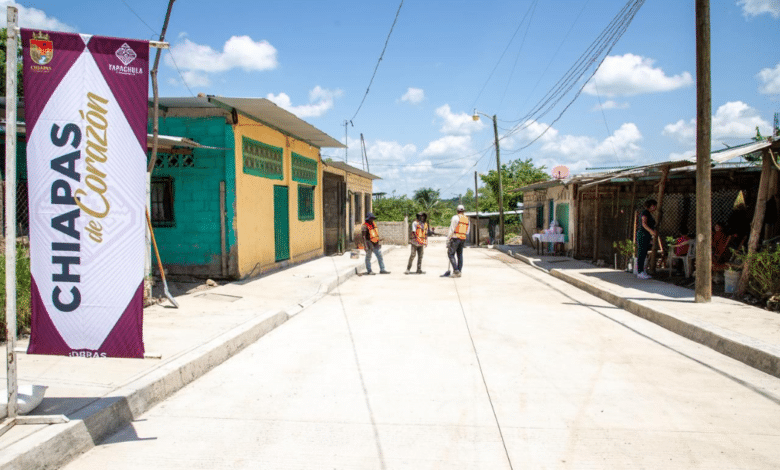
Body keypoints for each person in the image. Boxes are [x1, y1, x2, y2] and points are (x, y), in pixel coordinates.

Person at [636, 199, 658, 279]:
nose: (655, 207)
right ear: (650, 205)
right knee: (641, 253)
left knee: (644, 253)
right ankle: (639, 272)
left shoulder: (649, 214)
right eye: (654, 206)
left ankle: (642, 271)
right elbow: (644, 224)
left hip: (646, 235)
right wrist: (651, 231)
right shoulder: (645, 212)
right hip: (643, 235)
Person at [446, 205, 470, 278]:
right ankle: (459, 271)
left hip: (455, 238)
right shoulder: (467, 219)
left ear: (457, 211)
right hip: (463, 238)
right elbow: (468, 231)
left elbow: (452, 229)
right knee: (459, 255)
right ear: (463, 211)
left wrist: (448, 238)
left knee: (450, 254)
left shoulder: (455, 218)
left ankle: (456, 271)